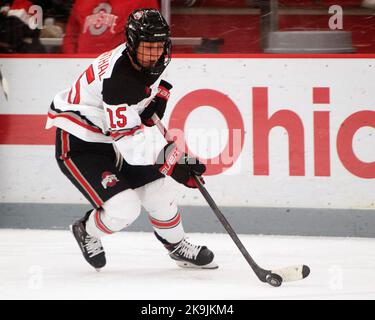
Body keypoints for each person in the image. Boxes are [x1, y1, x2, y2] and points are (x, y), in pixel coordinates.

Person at [46, 8, 217, 271]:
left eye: (159, 46)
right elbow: (131, 143)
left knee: (160, 191)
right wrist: (174, 162)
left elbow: (142, 112)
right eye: (148, 47)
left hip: (111, 135)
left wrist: (148, 109)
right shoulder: (119, 81)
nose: (155, 54)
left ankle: (177, 245)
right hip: (80, 142)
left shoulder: (147, 61)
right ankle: (86, 230)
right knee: (124, 209)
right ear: (132, 43)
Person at [62, 0, 159, 54]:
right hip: (82, 67)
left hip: (120, 69)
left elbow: (152, 36)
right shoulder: (81, 2)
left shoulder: (144, 1)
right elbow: (71, 36)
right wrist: (73, 61)